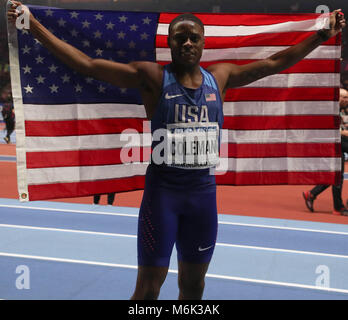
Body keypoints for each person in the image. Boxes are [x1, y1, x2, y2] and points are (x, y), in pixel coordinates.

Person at [8, 2, 346, 300]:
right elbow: (88, 64)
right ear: (169, 43)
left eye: (193, 37)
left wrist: (320, 35)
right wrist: (33, 26)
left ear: (203, 43)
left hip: (202, 197)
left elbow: (275, 63)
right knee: (148, 288)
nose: (186, 43)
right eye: (179, 37)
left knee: (194, 289)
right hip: (162, 197)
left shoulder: (221, 77)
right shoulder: (153, 77)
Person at [303, 88, 348, 216]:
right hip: (330, 146)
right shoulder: (329, 110)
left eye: (347, 98)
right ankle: (338, 208)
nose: (345, 100)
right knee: (337, 177)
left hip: (337, 144)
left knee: (336, 177)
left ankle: (311, 194)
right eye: (343, 97)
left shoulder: (337, 110)